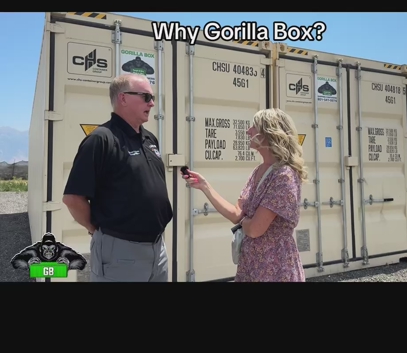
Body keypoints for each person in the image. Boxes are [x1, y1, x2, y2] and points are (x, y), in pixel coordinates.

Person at [63, 74, 173, 282]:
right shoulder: (101, 139)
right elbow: (73, 198)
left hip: (157, 250)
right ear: (123, 98)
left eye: (152, 97)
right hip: (120, 253)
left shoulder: (149, 139)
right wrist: (96, 229)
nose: (152, 103)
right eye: (146, 97)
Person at [182, 108, 307, 282]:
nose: (248, 131)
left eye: (254, 127)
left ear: (267, 134)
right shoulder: (258, 171)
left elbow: (255, 229)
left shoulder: (284, 176)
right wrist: (204, 186)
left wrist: (244, 221)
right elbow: (236, 214)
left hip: (275, 269)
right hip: (251, 265)